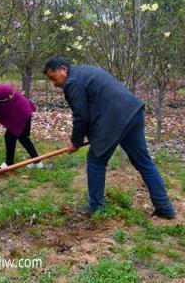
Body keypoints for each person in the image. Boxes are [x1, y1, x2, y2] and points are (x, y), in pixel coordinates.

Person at [43, 57, 176, 219]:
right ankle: (165, 208)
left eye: (53, 78)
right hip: (132, 112)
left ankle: (96, 207)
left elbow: (81, 116)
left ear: (63, 69)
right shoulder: (84, 71)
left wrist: (75, 142)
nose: (54, 84)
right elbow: (93, 107)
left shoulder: (72, 82)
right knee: (144, 162)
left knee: (95, 161)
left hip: (115, 119)